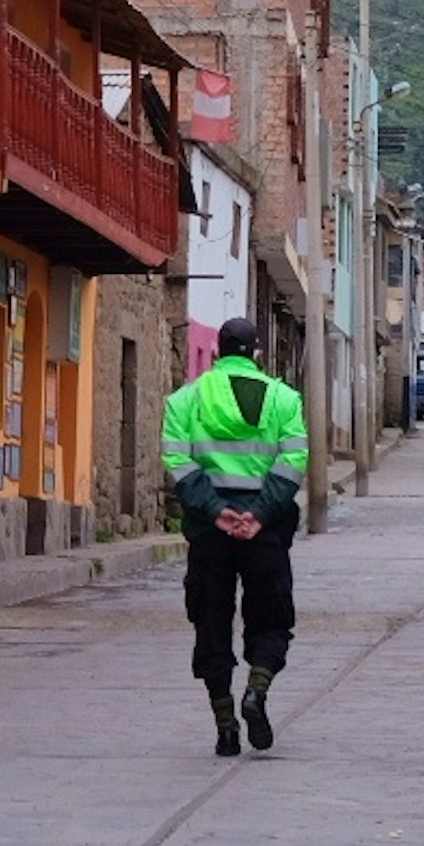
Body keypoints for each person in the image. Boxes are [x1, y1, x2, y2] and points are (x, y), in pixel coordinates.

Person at [160, 317, 309, 757]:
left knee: (211, 622)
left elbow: (178, 462)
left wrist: (217, 511)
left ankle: (225, 725)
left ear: (220, 351)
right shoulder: (284, 399)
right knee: (271, 618)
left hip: (210, 532)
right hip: (264, 532)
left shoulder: (185, 400)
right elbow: (293, 462)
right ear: (256, 352)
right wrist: (257, 516)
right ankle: (256, 692)